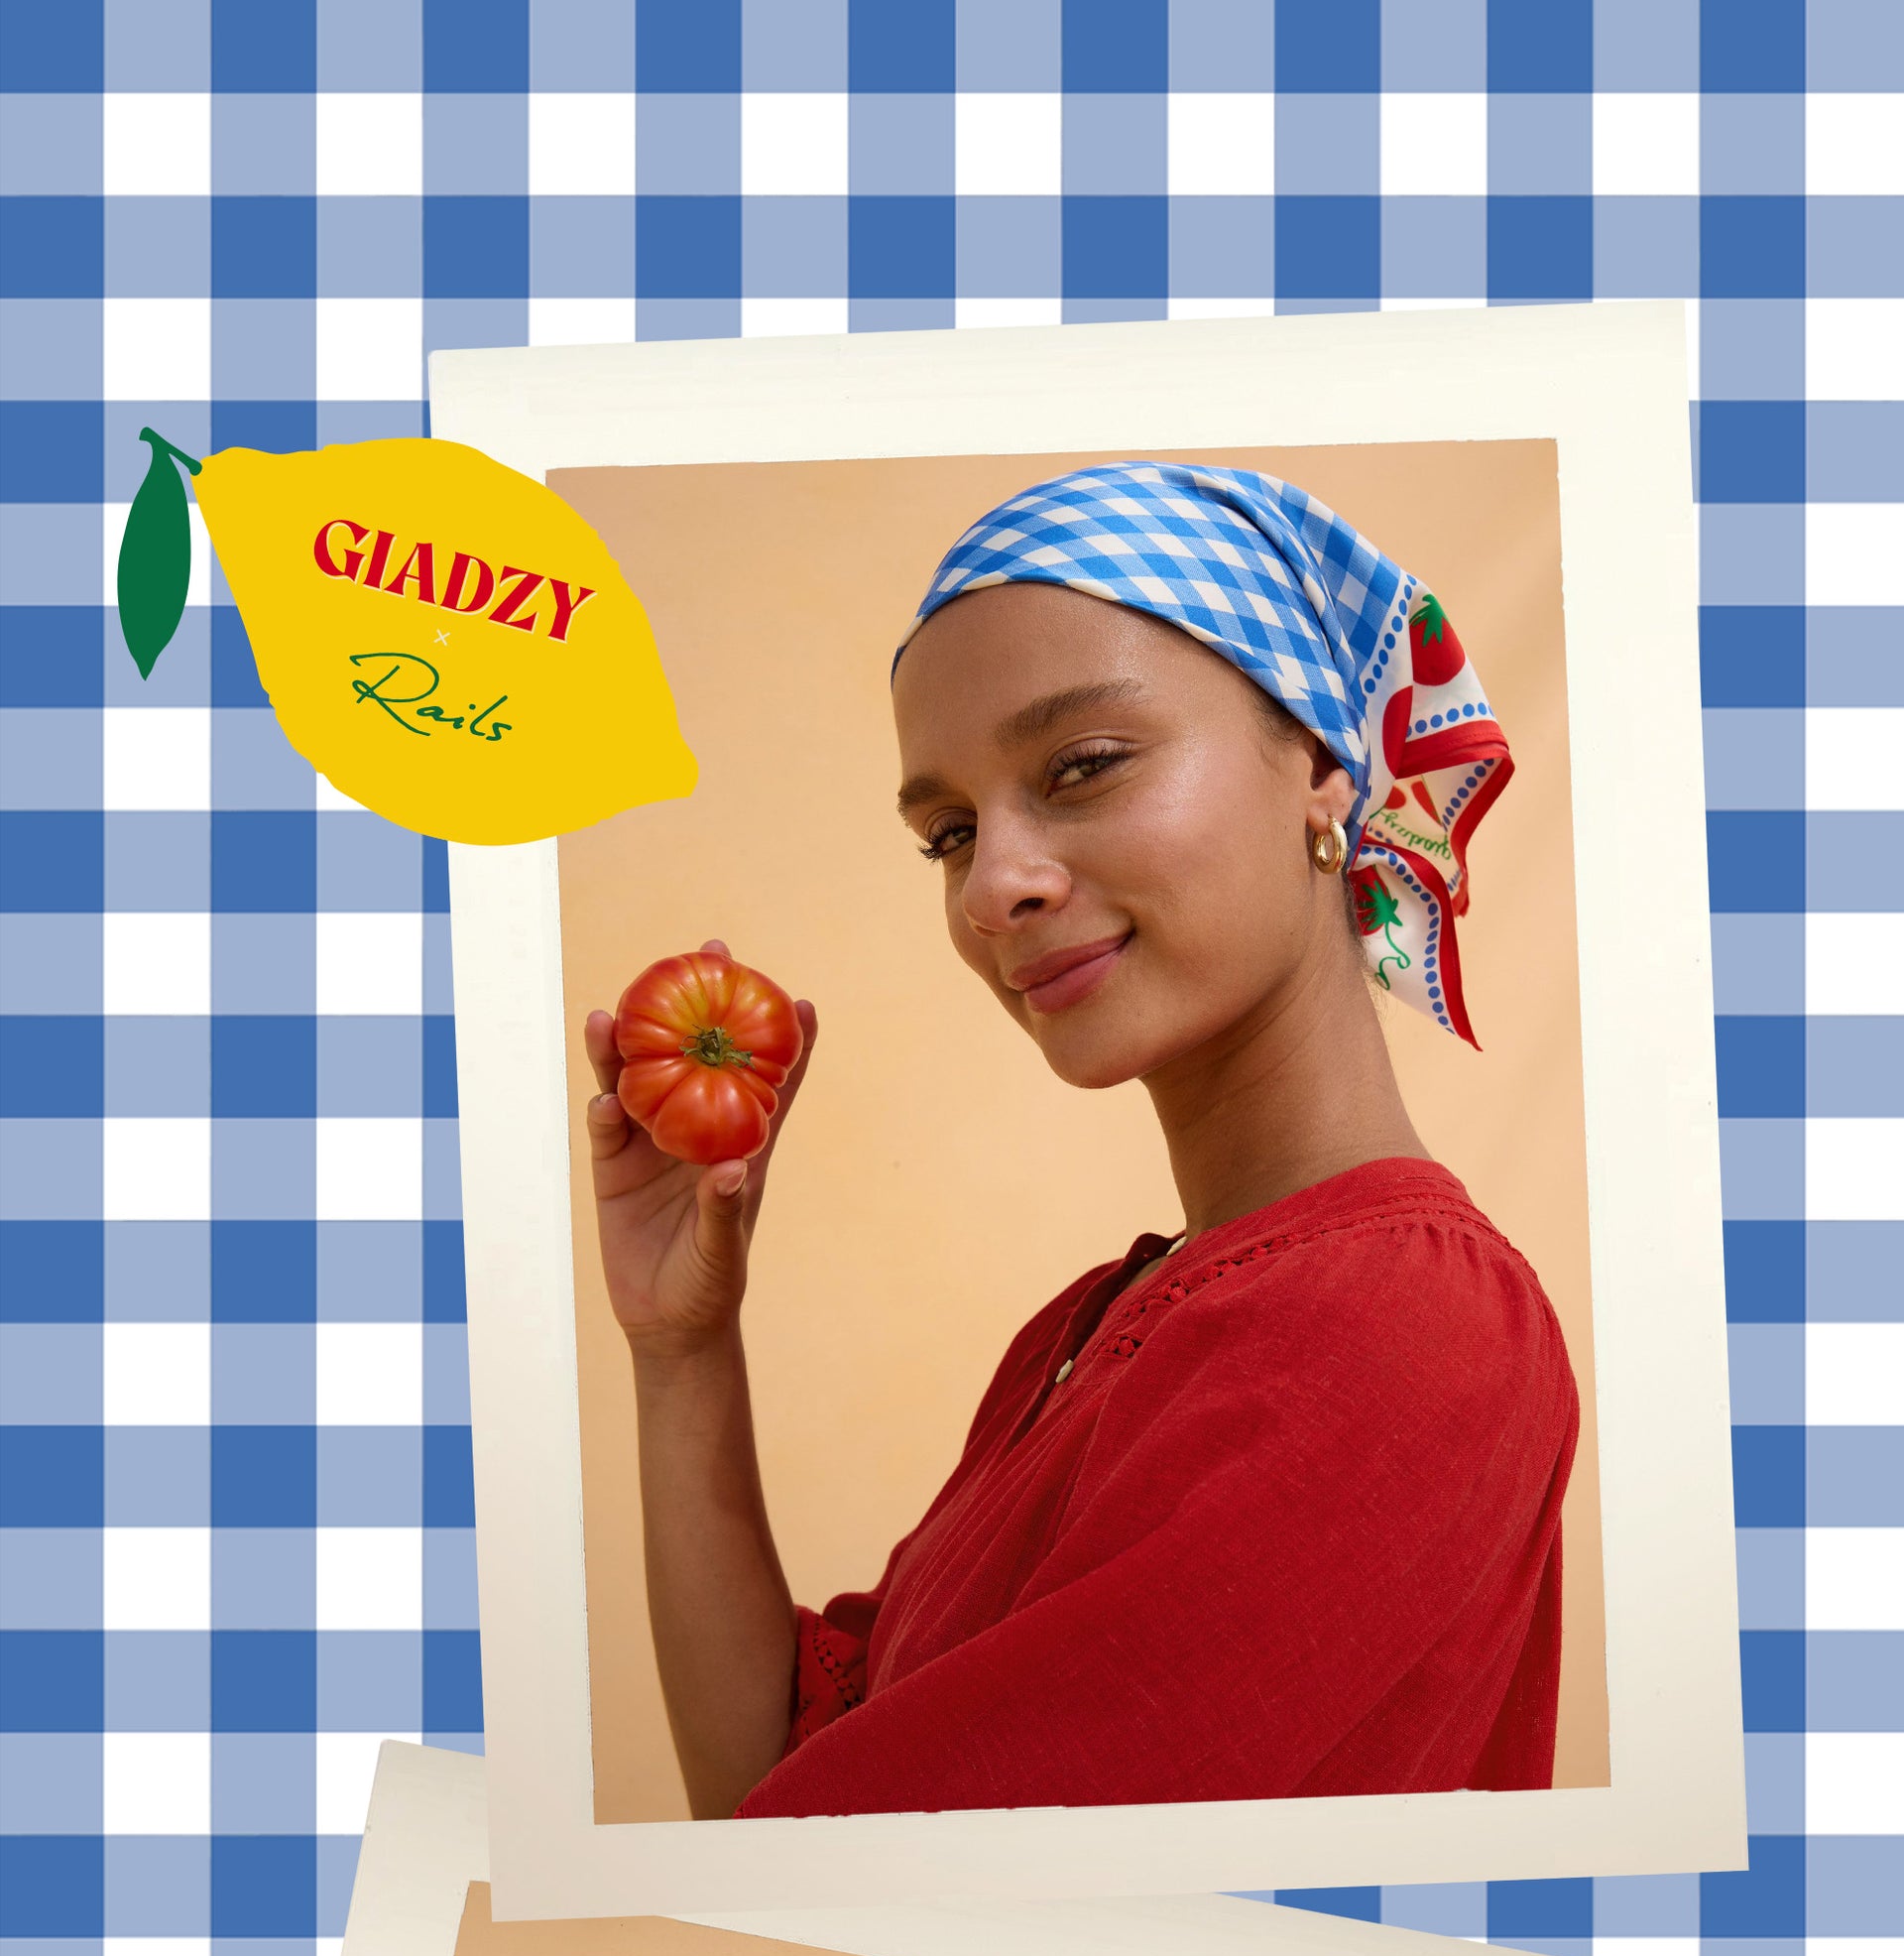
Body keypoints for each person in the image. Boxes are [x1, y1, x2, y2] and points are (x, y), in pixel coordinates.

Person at [585, 457, 1581, 1821]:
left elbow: (825, 1883)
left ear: (1317, 767)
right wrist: (682, 1351)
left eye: (1085, 766)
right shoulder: (1100, 1326)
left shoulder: (1393, 1324)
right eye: (948, 831)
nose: (993, 886)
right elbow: (780, 1784)